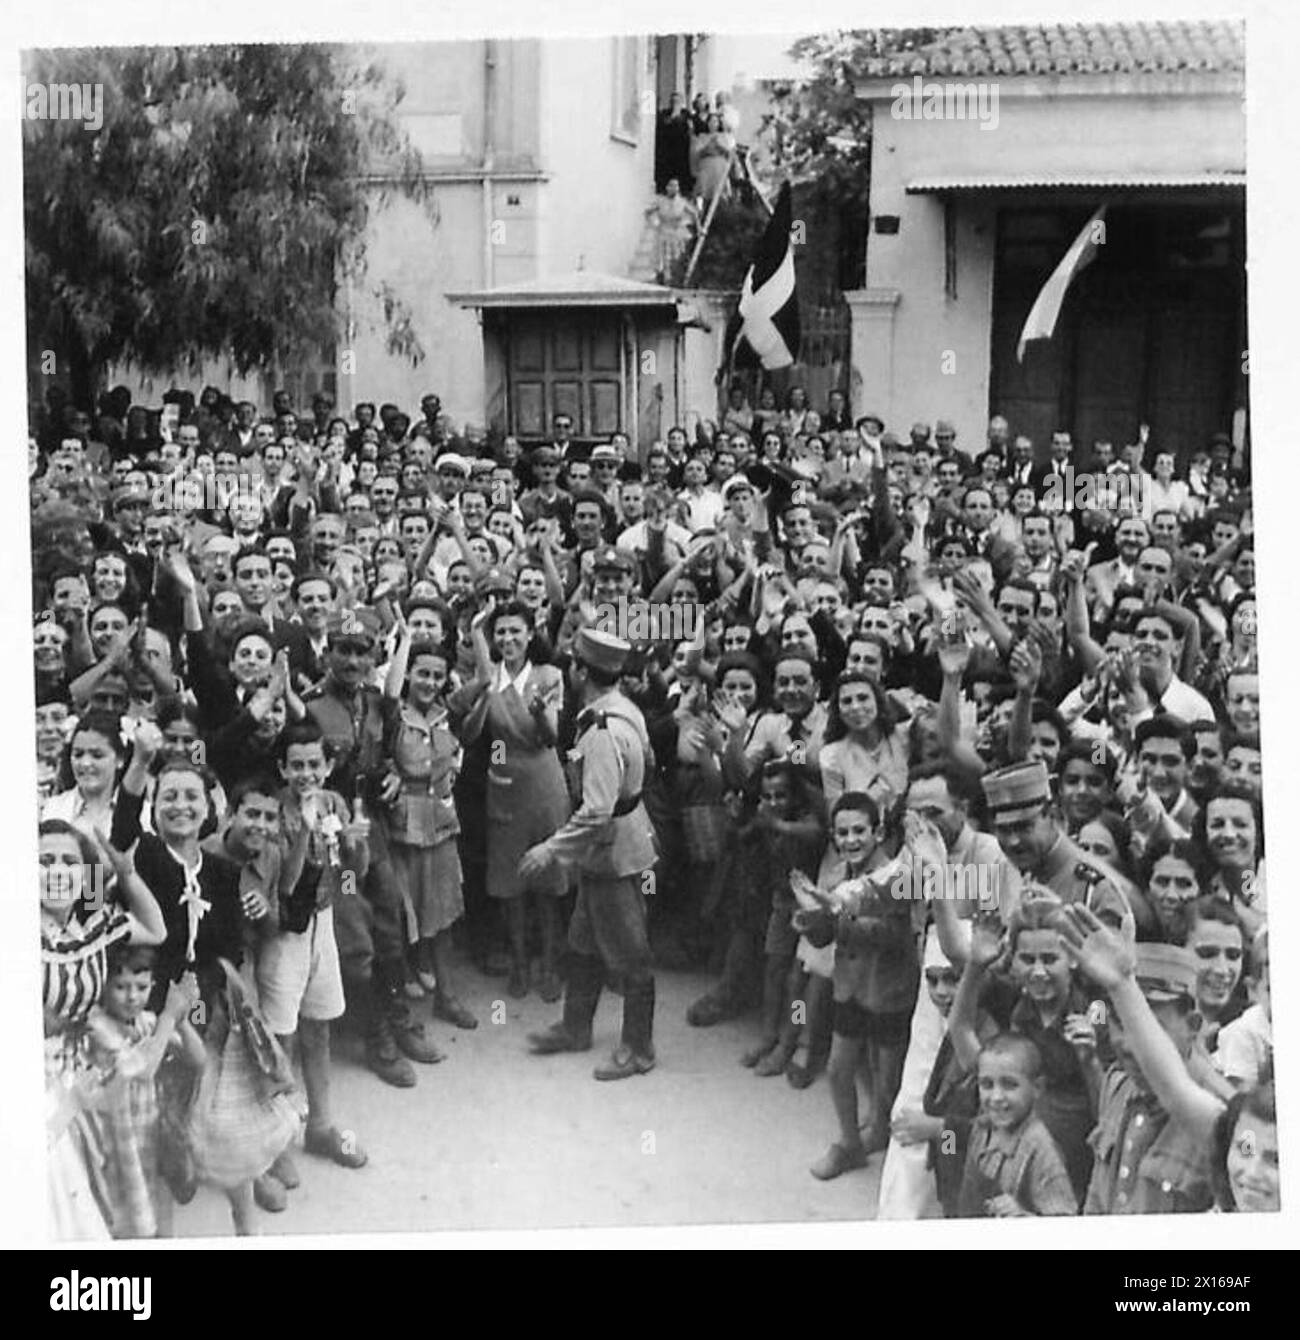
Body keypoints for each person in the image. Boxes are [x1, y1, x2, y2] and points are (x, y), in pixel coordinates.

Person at [520, 628, 660, 1081]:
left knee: (629, 952)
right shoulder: (623, 710)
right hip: (615, 845)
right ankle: (575, 1027)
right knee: (582, 943)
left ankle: (639, 1049)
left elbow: (598, 810)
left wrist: (551, 849)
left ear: (581, 670)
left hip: (613, 853)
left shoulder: (601, 730)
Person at [453, 599, 569, 1000]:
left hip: (544, 784)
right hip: (503, 785)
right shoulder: (486, 679)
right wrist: (484, 696)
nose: (507, 638)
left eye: (515, 630)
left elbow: (552, 736)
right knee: (511, 883)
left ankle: (551, 967)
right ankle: (520, 965)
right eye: (499, 631)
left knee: (549, 883)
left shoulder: (549, 674)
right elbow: (469, 738)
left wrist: (539, 712)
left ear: (530, 632)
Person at [798, 792, 915, 1180]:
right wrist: (810, 921)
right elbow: (824, 938)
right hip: (850, 988)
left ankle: (890, 1144)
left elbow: (897, 936)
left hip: (889, 992)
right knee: (838, 1069)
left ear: (878, 832)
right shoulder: (838, 878)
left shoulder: (898, 877)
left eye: (859, 831)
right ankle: (849, 1144)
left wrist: (838, 917)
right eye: (842, 833)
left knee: (888, 1083)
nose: (850, 840)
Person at [383, 623, 476, 1027]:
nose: (430, 682)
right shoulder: (392, 715)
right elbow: (389, 692)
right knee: (401, 911)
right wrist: (404, 642)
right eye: (422, 673)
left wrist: (477, 631)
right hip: (403, 824)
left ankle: (448, 996)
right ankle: (399, 992)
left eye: (438, 675)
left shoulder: (447, 713)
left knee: (440, 911)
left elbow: (487, 681)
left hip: (440, 822)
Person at [952, 1034, 1078, 1217]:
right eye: (987, 1085)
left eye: (1009, 1085)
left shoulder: (1040, 1148)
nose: (996, 1097)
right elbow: (950, 1142)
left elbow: (1065, 1223)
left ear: (1037, 1088)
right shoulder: (981, 1129)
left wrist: (1023, 1216)